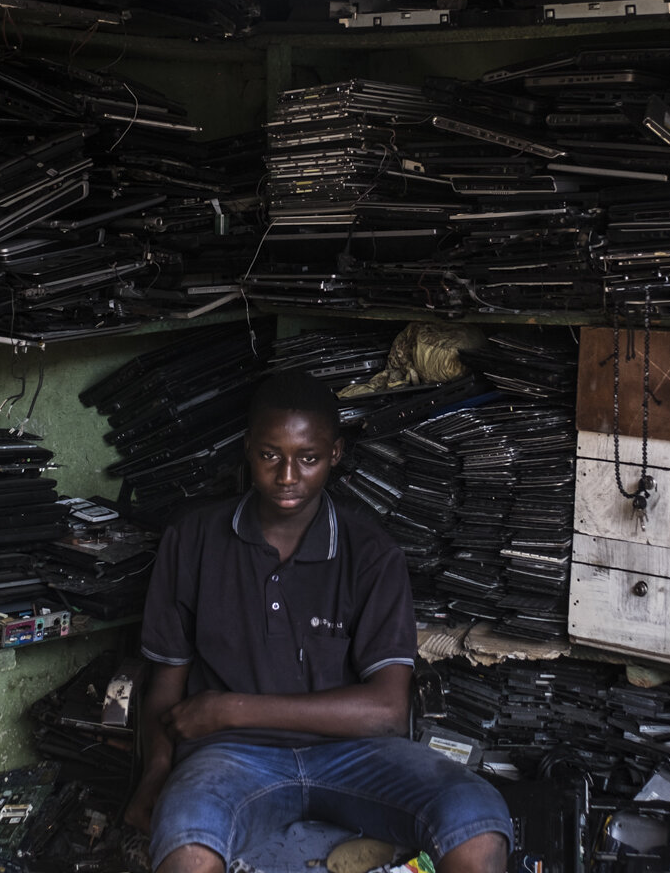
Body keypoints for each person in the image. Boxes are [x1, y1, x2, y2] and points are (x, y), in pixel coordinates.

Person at [125, 370, 512, 873]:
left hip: (358, 756)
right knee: (186, 848)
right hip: (229, 760)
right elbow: (166, 686)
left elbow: (387, 712)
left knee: (477, 822)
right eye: (270, 455)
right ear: (247, 449)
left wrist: (232, 708)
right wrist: (154, 774)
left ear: (335, 454)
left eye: (307, 458)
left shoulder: (371, 554)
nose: (287, 476)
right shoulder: (194, 539)